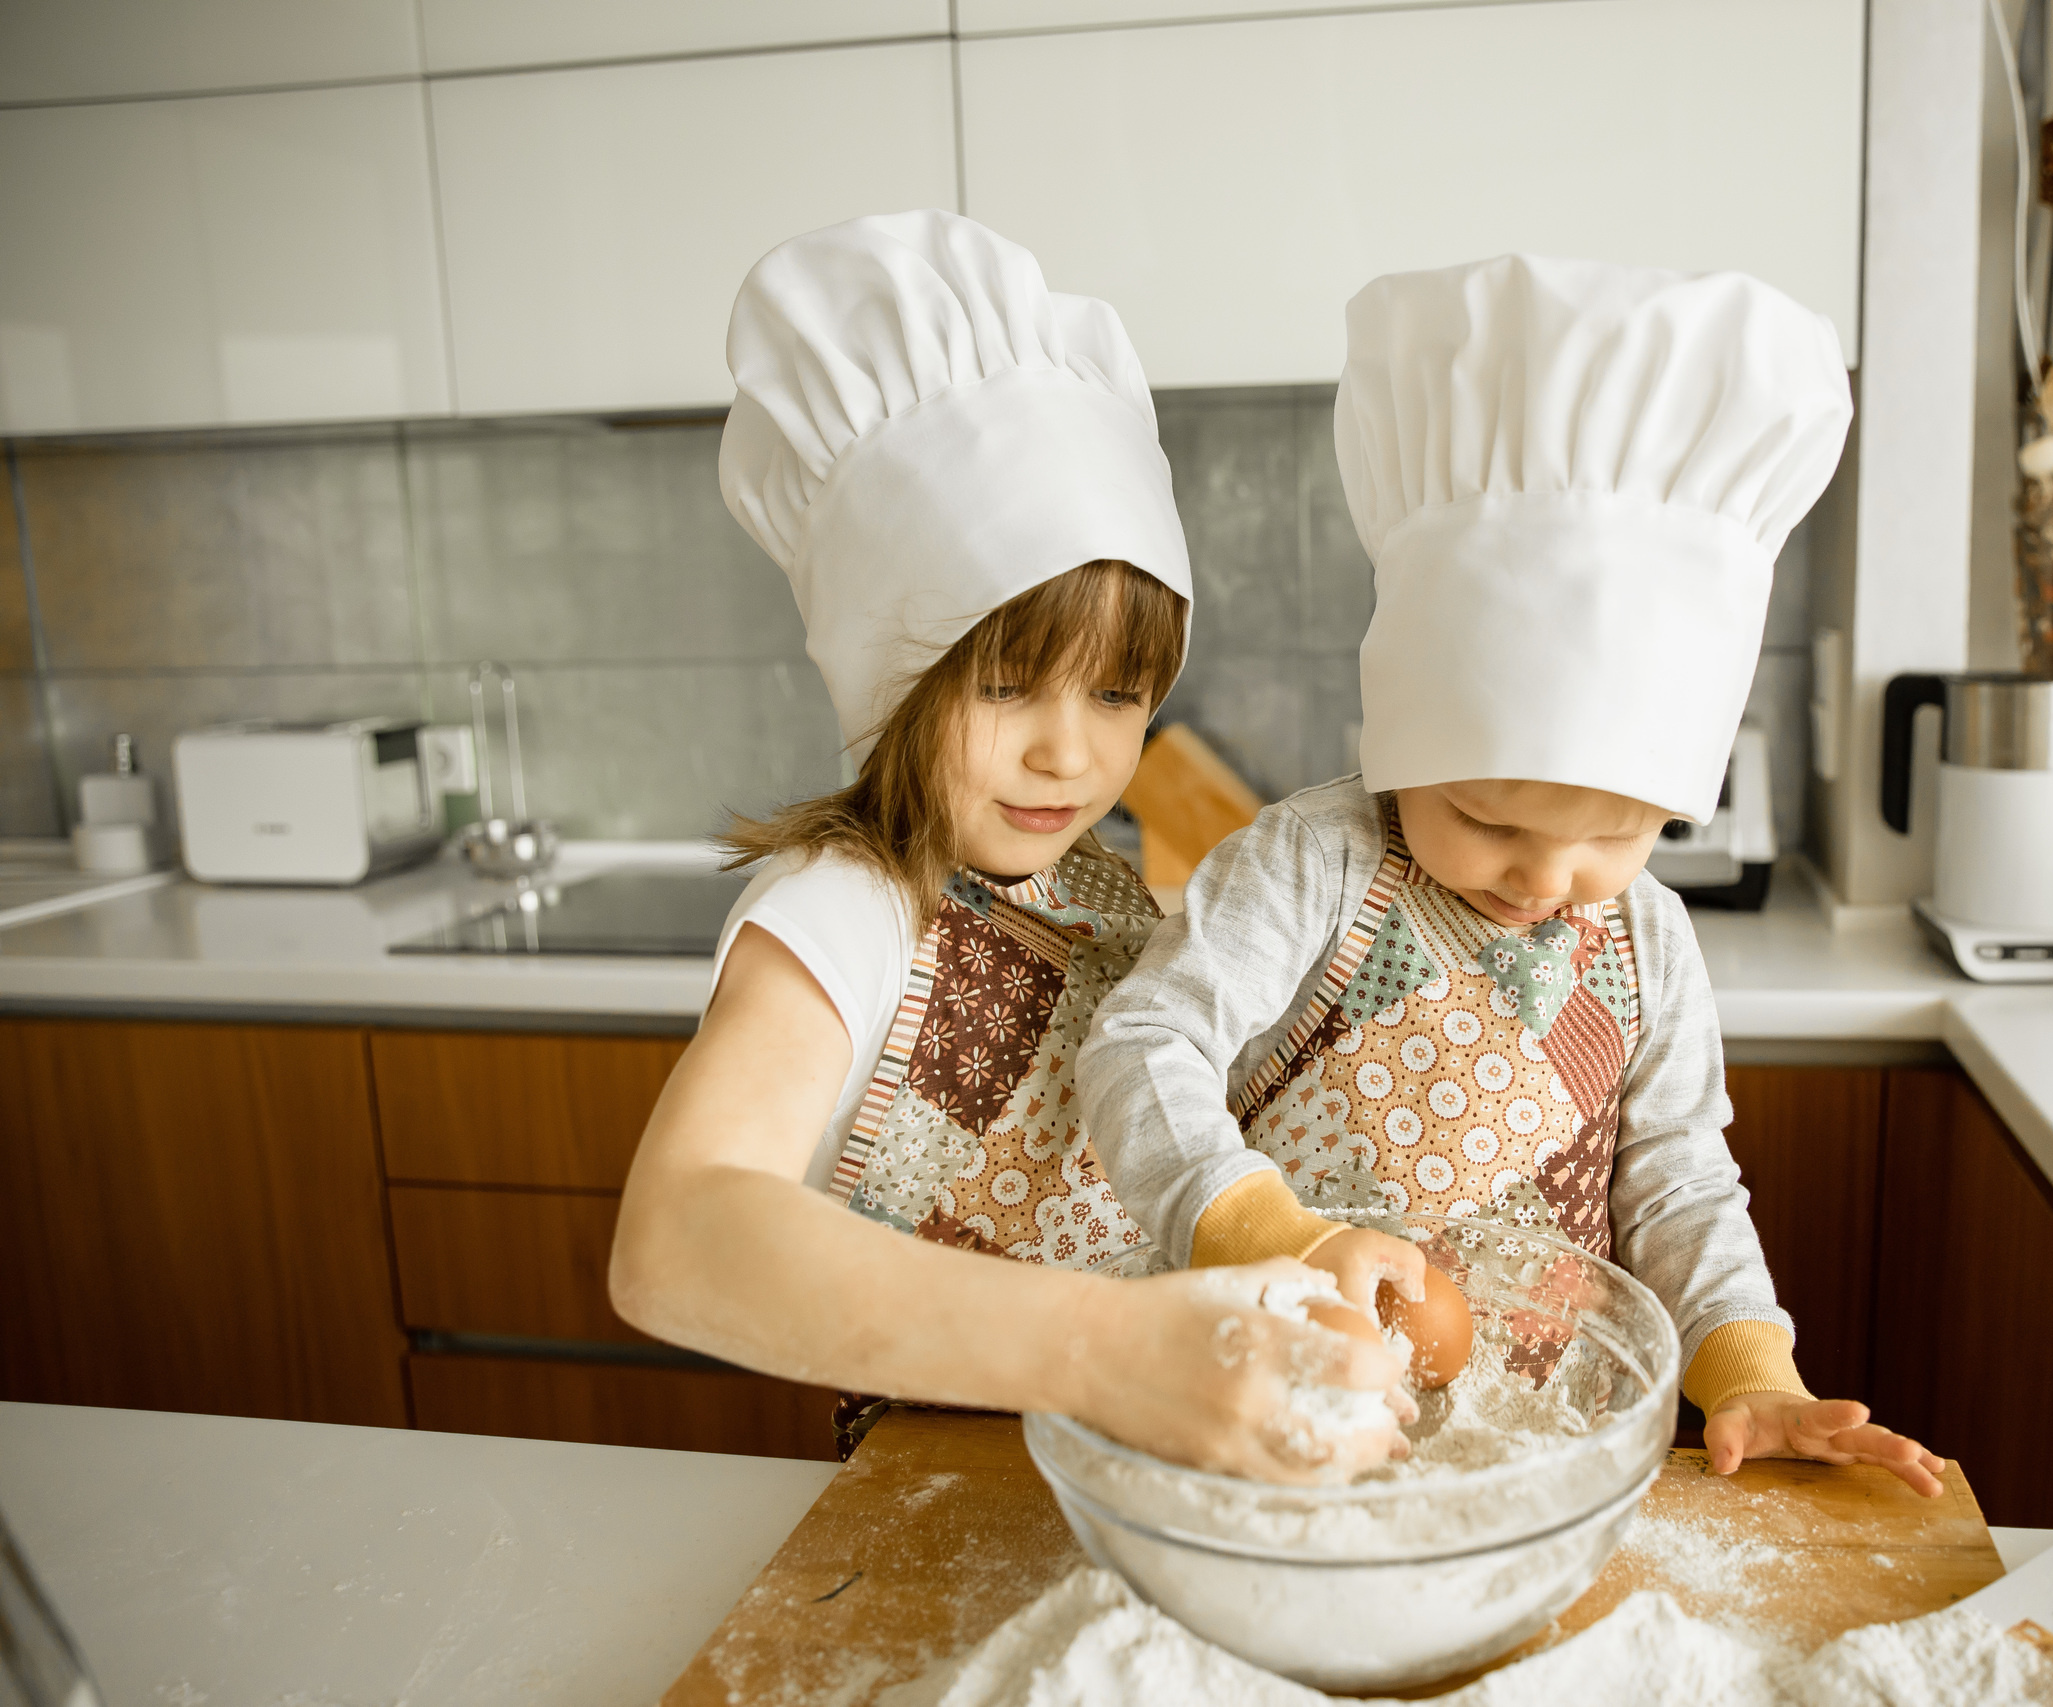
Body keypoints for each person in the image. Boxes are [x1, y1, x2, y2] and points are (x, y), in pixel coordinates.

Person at [1080, 253, 1945, 1496]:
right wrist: (1272, 1229)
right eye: (1486, 818)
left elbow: (1680, 1173)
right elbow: (1143, 1043)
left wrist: (1750, 1369)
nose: (1547, 878)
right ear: (1400, 750)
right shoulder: (1313, 864)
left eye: (1616, 836)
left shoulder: (1648, 940)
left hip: (1535, 1440)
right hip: (1277, 1406)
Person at [608, 210, 1411, 1484]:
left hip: (1126, 1486)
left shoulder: (1091, 879)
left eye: (1115, 695)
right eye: (1006, 688)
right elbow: (678, 1235)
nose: (1068, 756)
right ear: (894, 673)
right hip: (940, 1502)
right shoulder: (842, 908)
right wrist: (1109, 1352)